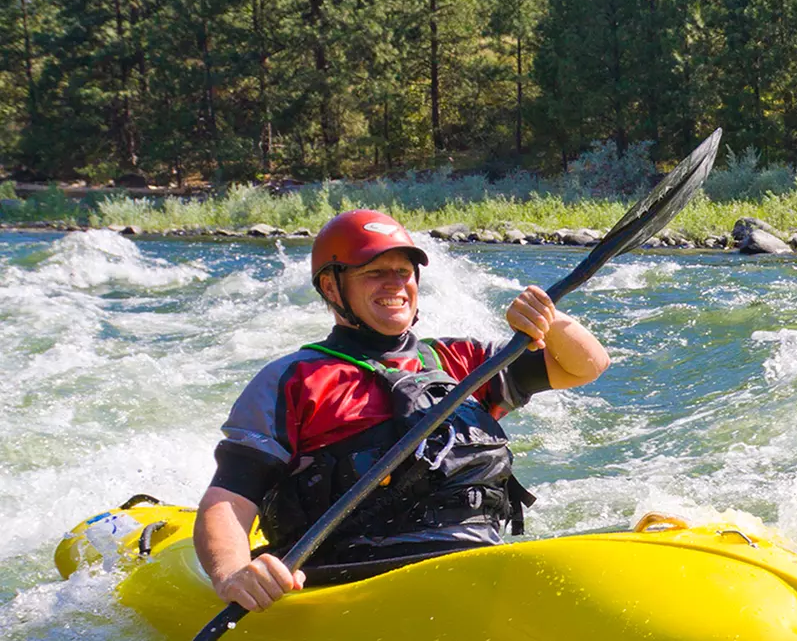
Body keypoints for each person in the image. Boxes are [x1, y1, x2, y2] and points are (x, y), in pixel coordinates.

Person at [195, 209, 611, 612]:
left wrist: (549, 321)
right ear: (331, 287)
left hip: (472, 564)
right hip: (354, 579)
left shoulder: (462, 362)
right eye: (374, 272)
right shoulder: (293, 379)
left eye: (403, 272)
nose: (395, 283)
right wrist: (232, 573)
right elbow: (230, 497)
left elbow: (587, 365)